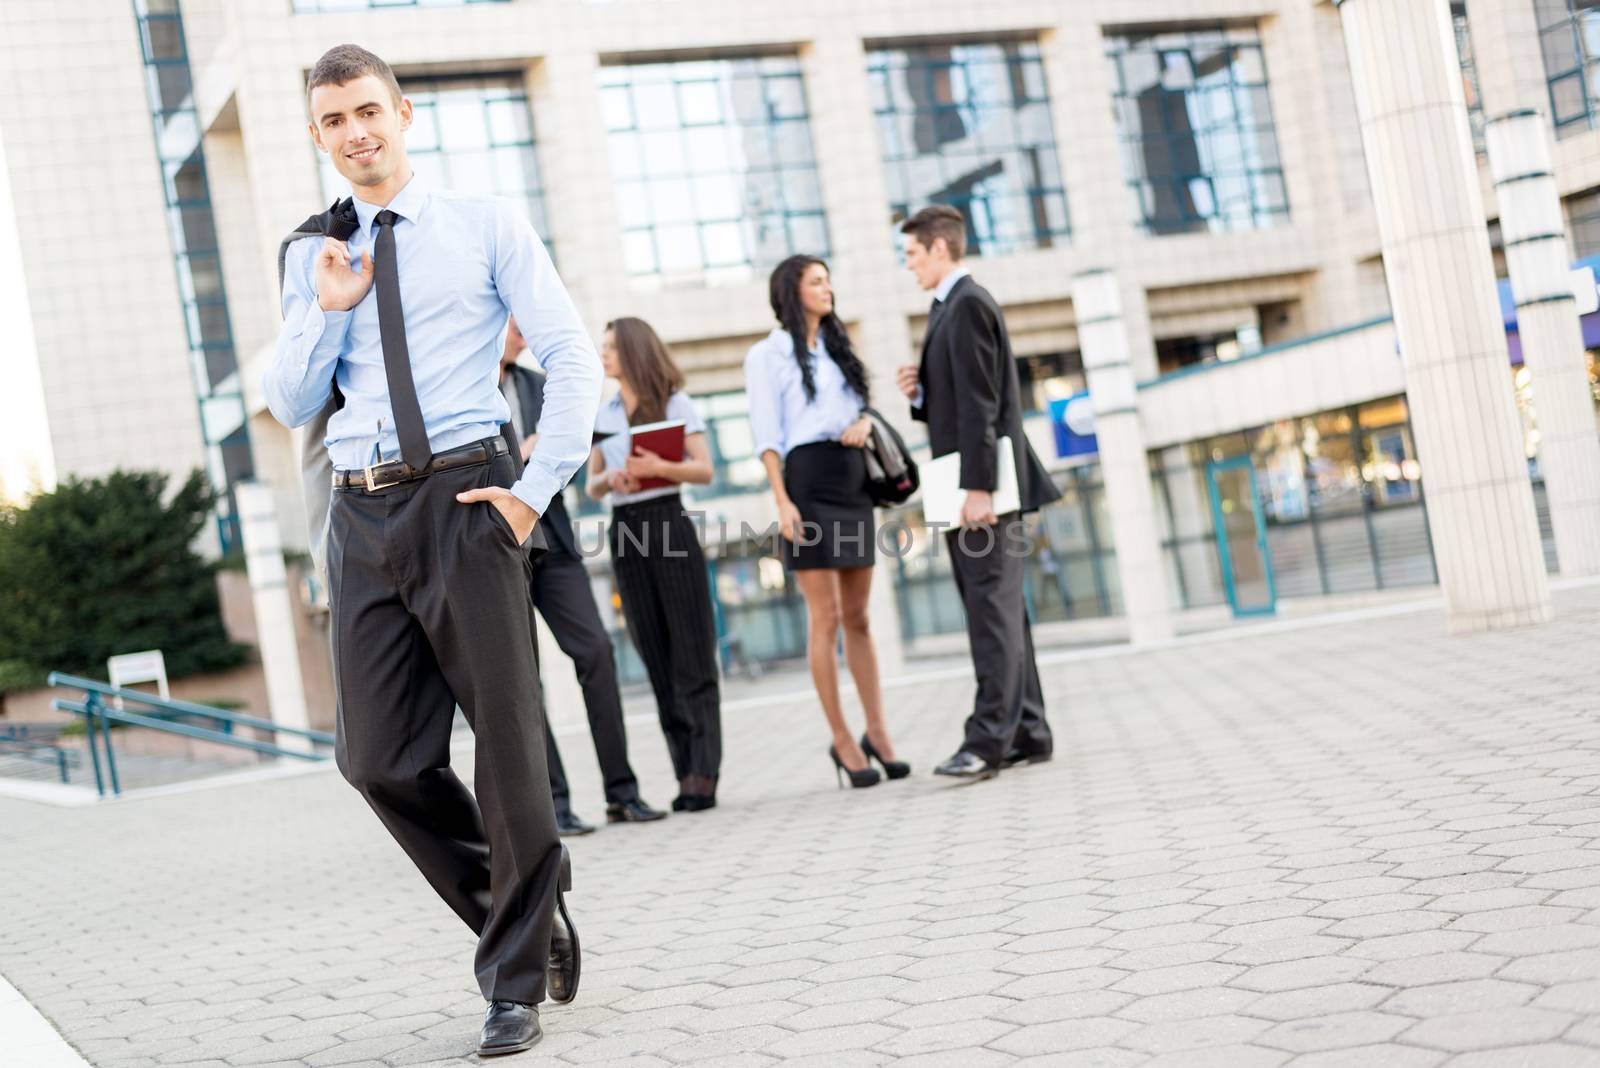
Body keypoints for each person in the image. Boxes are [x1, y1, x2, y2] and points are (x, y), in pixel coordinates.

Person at [263, 45, 596, 1057]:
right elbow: (287, 405)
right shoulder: (309, 252)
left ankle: (512, 980)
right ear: (317, 135)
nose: (355, 133)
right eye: (333, 121)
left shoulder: (485, 222)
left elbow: (571, 360)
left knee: (506, 750)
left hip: (469, 498)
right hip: (361, 516)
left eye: (368, 111)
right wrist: (326, 313)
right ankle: (524, 904)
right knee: (374, 760)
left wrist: (532, 498)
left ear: (403, 113)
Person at [894, 205, 1062, 783]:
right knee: (1003, 612)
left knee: (990, 614)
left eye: (912, 254)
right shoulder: (952, 307)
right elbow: (964, 394)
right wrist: (922, 392)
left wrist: (978, 488)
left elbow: (981, 407)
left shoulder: (964, 304)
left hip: (984, 491)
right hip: (978, 486)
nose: (908, 266)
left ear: (940, 248)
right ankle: (1029, 731)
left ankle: (986, 740)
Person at [744, 255, 908, 790]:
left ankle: (878, 733)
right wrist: (781, 501)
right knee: (828, 617)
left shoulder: (839, 347)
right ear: (792, 291)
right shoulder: (765, 354)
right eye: (817, 281)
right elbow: (767, 436)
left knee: (860, 615)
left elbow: (861, 407)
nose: (827, 288)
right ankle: (841, 739)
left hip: (852, 481)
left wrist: (863, 422)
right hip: (807, 483)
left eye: (828, 279)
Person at [500, 318, 667, 835]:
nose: (524, 329)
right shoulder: (461, 385)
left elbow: (570, 455)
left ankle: (622, 793)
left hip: (553, 537)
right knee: (524, 677)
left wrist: (550, 452)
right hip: (496, 545)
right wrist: (520, 453)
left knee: (596, 651)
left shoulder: (539, 384)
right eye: (512, 320)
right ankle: (554, 806)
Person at [587, 318, 723, 812]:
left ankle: (702, 773)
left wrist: (659, 468)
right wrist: (613, 481)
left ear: (633, 351)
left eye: (610, 347)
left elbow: (704, 469)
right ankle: (682, 768)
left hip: (669, 520)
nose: (603, 355)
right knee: (656, 653)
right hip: (625, 528)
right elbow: (592, 484)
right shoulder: (603, 412)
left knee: (691, 649)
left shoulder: (675, 403)